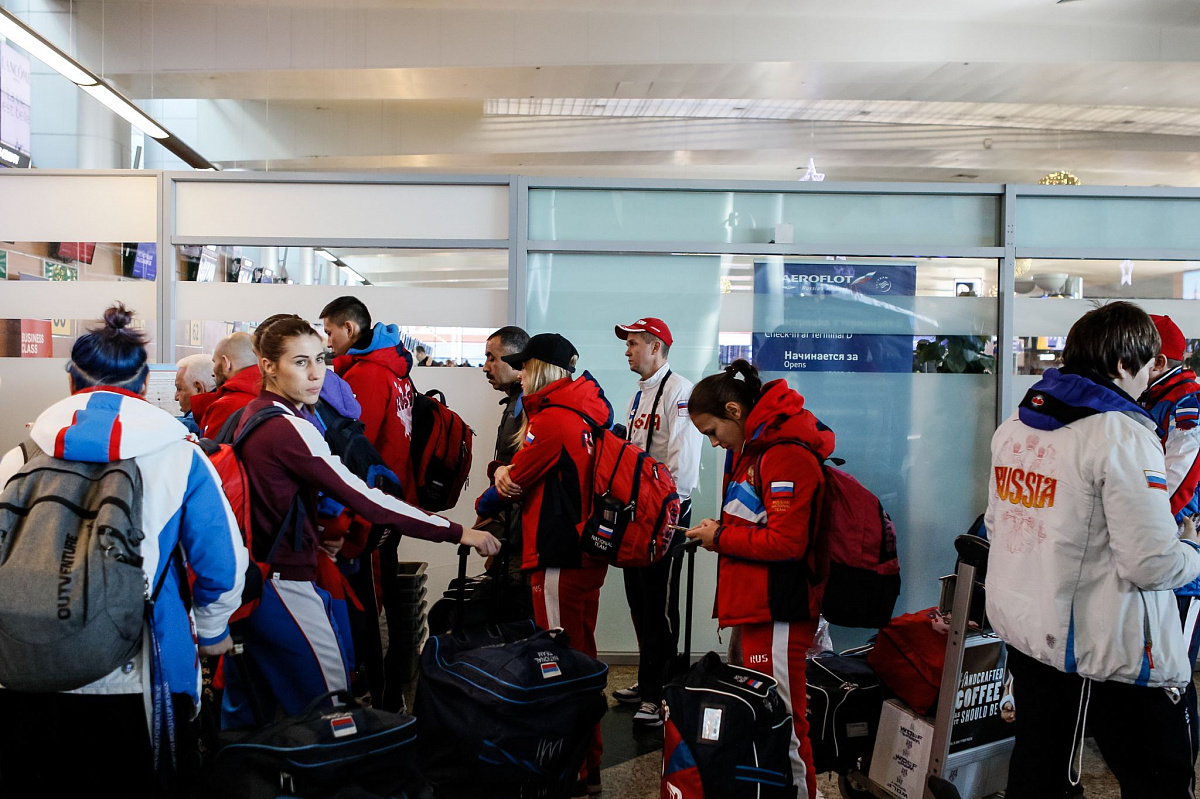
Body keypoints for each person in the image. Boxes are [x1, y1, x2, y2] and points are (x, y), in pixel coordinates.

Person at [0, 304, 248, 797]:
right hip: (140, 678)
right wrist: (214, 629)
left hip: (20, 670)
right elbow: (221, 562)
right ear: (144, 386)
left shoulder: (20, 457)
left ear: (71, 382)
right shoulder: (181, 456)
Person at [221, 316, 499, 728]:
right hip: (282, 583)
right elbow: (368, 498)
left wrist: (317, 531)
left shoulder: (254, 414)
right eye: (300, 362)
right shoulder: (287, 427)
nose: (316, 374)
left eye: (320, 359)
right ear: (268, 366)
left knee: (254, 720)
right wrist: (458, 531)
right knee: (333, 707)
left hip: (259, 579)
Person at [986, 301, 1200, 799]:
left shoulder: (1017, 424)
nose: (1148, 379)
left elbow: (999, 527)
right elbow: (1151, 563)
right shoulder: (1122, 434)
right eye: (1146, 366)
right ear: (1124, 363)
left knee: (1039, 773)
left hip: (1032, 636)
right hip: (1109, 649)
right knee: (1159, 781)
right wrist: (1191, 548)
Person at [684, 359, 828, 799]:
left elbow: (787, 543)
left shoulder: (783, 453)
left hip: (779, 607)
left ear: (734, 411)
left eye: (712, 432)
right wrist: (720, 531)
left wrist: (720, 537)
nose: (713, 443)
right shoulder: (756, 450)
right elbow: (760, 523)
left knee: (786, 721)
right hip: (759, 606)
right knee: (769, 718)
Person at [492, 333, 611, 799]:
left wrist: (500, 472)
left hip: (558, 556)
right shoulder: (585, 412)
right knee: (582, 657)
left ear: (542, 369)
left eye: (525, 366)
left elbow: (515, 480)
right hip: (583, 554)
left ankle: (574, 771)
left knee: (561, 664)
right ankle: (589, 764)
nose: (520, 374)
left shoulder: (553, 419)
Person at [612, 317, 702, 727]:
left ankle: (660, 692)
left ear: (655, 347)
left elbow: (683, 460)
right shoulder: (639, 395)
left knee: (660, 605)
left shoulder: (680, 391)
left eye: (633, 343)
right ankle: (649, 681)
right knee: (639, 599)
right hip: (638, 511)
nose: (627, 350)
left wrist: (668, 514)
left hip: (666, 512)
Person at [320, 296, 418, 503]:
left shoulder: (366, 373)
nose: (328, 343)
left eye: (329, 333)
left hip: (374, 492)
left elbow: (355, 446)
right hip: (395, 485)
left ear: (349, 328)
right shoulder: (393, 365)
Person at [477, 324, 530, 583]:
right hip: (510, 535)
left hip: (521, 543)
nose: (486, 367)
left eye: (492, 358)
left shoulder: (528, 405)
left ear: (516, 361)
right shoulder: (515, 402)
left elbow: (522, 475)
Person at [192, 331, 261, 439]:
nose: (213, 372)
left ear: (226, 363)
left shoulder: (225, 407)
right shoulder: (271, 395)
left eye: (214, 362)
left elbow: (210, 449)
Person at [174, 352, 216, 435]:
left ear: (198, 388)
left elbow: (188, 422)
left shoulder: (196, 424)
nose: (176, 397)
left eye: (179, 389)